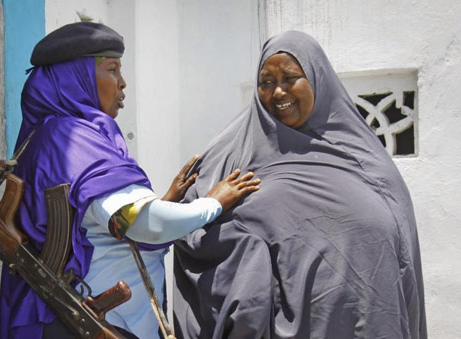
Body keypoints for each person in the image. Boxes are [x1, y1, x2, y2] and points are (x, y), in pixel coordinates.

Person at [0, 22, 260, 339]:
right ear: (75, 76)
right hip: (93, 323)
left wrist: (162, 201)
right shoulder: (72, 137)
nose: (122, 84)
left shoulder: (45, 135)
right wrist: (213, 203)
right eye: (112, 69)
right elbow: (142, 225)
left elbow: (96, 227)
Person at [173, 30, 426, 339]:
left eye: (290, 78)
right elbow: (189, 231)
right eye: (265, 82)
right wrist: (206, 211)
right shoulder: (233, 154)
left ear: (317, 79)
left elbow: (400, 251)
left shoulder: (366, 160)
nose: (277, 92)